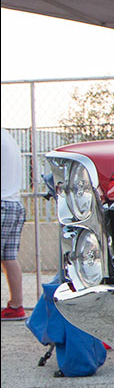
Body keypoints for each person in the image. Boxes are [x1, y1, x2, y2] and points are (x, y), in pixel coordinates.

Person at [1, 129, 26, 320]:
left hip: (2, 203)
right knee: (8, 257)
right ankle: (16, 306)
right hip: (14, 203)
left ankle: (16, 306)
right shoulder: (7, 136)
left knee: (7, 257)